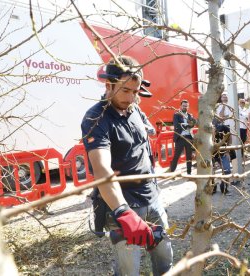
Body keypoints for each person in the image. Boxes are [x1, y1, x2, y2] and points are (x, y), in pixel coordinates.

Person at [81, 56, 173, 275]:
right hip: (125, 205)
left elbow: (144, 135)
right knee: (128, 270)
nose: (131, 97)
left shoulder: (135, 110)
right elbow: (102, 169)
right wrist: (123, 212)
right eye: (125, 91)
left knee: (165, 259)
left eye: (135, 91)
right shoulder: (96, 118)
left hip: (152, 197)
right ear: (109, 85)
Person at [169, 100, 196, 175]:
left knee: (189, 156)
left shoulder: (190, 115)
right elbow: (176, 125)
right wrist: (187, 125)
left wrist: (190, 124)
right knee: (176, 156)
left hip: (189, 137)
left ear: (188, 107)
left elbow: (193, 125)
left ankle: (189, 172)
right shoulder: (176, 114)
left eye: (186, 106)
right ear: (181, 106)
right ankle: (171, 172)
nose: (185, 107)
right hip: (180, 137)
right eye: (184, 106)